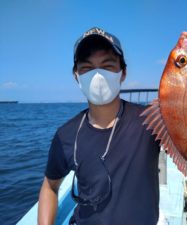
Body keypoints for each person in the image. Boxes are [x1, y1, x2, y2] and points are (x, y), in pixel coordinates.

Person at [38, 27, 160, 225]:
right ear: (76, 76)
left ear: (123, 73)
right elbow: (50, 186)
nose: (97, 75)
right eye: (87, 68)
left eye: (107, 65)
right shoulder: (66, 135)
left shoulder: (151, 120)